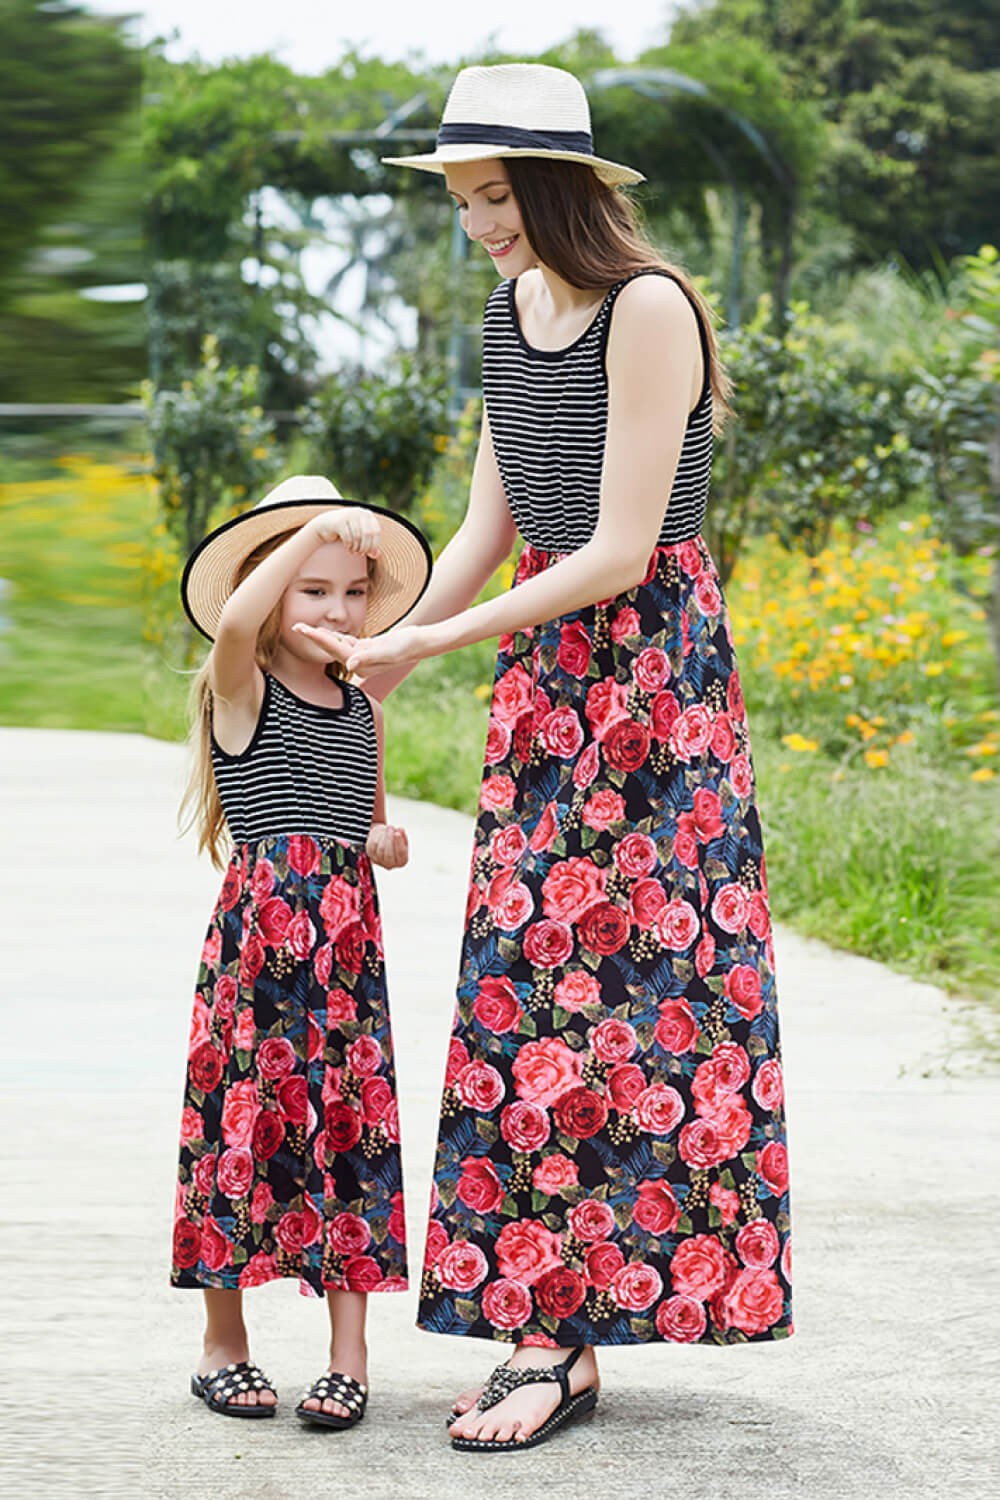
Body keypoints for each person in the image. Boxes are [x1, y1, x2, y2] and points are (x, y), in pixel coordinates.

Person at [308, 62, 794, 1454]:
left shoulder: (648, 307)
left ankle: (562, 1333)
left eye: (496, 196)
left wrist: (440, 643)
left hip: (652, 680)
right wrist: (382, 641)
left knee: (640, 998)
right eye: (463, 201)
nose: (478, 225)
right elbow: (489, 521)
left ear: (563, 186)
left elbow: (624, 550)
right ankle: (543, 1325)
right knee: (527, 988)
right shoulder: (506, 311)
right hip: (545, 683)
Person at [170, 475, 432, 1428]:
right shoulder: (241, 686)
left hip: (344, 953)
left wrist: (383, 844)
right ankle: (222, 1345)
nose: (337, 607)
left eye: (353, 591)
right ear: (271, 587)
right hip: (259, 952)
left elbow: (363, 822)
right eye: (313, 587)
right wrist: (316, 528)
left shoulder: (361, 706)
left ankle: (349, 1356)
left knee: (350, 1128)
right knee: (242, 1129)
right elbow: (234, 624)